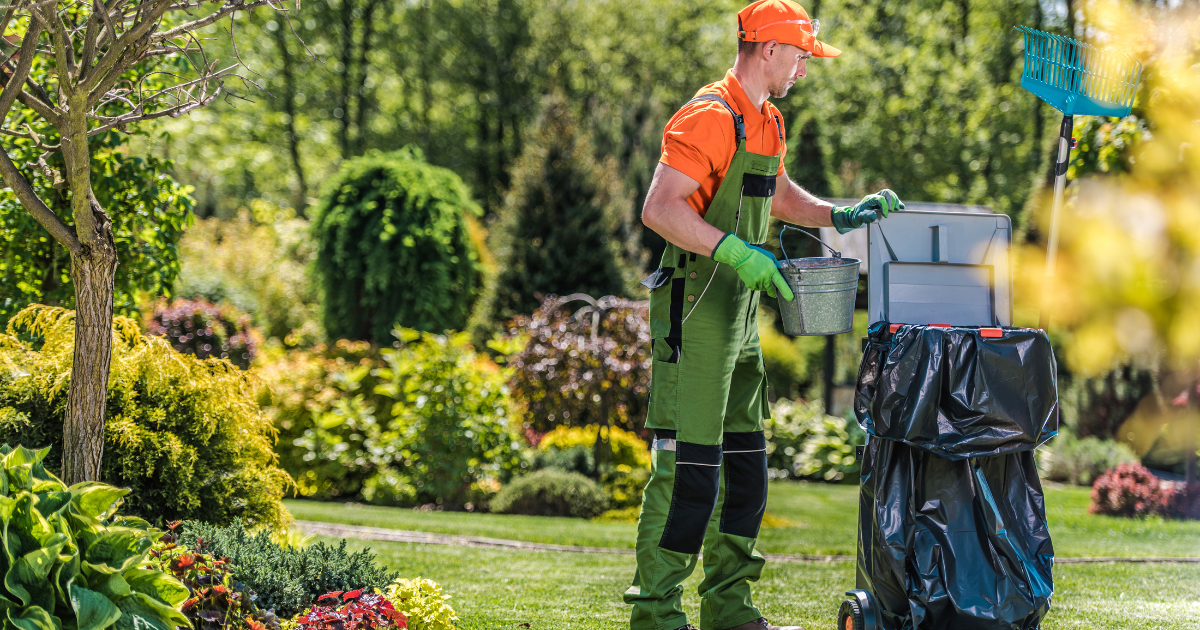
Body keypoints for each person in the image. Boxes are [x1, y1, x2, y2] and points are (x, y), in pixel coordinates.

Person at [624, 2, 903, 630]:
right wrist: (730, 249)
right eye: (802, 54)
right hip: (695, 311)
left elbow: (775, 194)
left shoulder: (767, 121)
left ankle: (729, 609)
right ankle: (657, 615)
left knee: (746, 467)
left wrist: (841, 214)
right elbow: (660, 208)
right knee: (689, 469)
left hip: (741, 317)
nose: (805, 66)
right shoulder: (708, 116)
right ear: (769, 48)